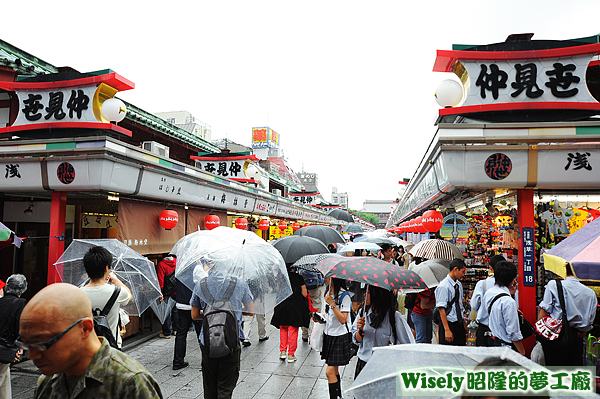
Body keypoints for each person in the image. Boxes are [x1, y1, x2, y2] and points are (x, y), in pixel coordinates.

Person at [18, 283, 162, 398]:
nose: (32, 355)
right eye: (26, 343)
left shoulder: (130, 383)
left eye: (43, 343)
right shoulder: (47, 383)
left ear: (85, 329)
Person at [191, 270, 253, 399]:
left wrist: (211, 313)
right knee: (225, 387)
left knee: (209, 386)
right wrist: (235, 312)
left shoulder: (200, 284)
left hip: (207, 340)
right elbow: (251, 311)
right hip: (231, 339)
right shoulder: (239, 283)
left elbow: (194, 315)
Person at [537, 261, 597, 366]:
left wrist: (540, 334)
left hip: (555, 337)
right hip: (576, 339)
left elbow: (543, 312)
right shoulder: (590, 293)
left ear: (565, 269)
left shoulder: (554, 285)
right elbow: (588, 323)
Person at [351, 285, 414, 379]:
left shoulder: (394, 317)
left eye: (368, 292)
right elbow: (356, 340)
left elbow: (408, 343)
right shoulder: (363, 313)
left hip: (383, 367)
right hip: (363, 365)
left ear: (377, 295)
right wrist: (360, 330)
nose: (364, 295)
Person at [80, 246, 132, 349]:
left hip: (86, 349)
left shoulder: (78, 293)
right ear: (106, 268)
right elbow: (129, 296)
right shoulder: (117, 292)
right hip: (111, 348)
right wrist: (116, 280)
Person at [481, 260, 525, 356]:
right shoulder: (509, 302)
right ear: (514, 280)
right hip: (506, 348)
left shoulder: (489, 292)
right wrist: (522, 352)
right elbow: (513, 332)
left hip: (493, 342)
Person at [270, 266, 310, 362]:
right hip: (295, 306)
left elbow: (278, 290)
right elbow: (304, 293)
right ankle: (291, 354)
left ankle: (283, 351)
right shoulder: (299, 277)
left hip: (283, 305)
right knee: (293, 329)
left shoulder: (281, 277)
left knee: (283, 328)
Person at [321, 277, 352, 399]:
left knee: (329, 372)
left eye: (328, 276)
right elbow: (327, 314)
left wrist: (333, 304)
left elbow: (343, 319)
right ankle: (338, 396)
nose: (325, 279)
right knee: (335, 371)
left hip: (339, 336)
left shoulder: (344, 296)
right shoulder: (327, 292)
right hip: (329, 335)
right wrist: (319, 317)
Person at [0, 274, 27, 398]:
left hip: (3, 347)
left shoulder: (1, 302)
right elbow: (21, 327)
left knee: (5, 376)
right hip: (5, 349)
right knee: (2, 374)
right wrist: (20, 347)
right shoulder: (20, 303)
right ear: (23, 289)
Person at [470, 254, 504, 346]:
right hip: (502, 329)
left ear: (491, 268)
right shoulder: (509, 284)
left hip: (484, 327)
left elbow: (474, 305)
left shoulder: (482, 284)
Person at [436, 258, 468, 346]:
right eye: (462, 271)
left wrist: (463, 323)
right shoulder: (443, 286)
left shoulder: (459, 285)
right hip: (448, 323)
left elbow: (459, 305)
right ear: (455, 269)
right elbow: (441, 309)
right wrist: (447, 330)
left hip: (459, 323)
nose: (463, 275)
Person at [173, 278, 201, 370]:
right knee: (201, 334)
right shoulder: (198, 268)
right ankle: (206, 361)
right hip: (195, 305)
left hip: (181, 304)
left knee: (181, 333)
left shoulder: (181, 269)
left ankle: (177, 361)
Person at [298, 267, 325, 343]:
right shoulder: (315, 258)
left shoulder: (300, 260)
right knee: (315, 311)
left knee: (305, 310)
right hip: (316, 286)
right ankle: (312, 335)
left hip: (304, 287)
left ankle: (305, 334)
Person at [156, 254, 177, 339]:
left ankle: (166, 333)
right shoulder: (176, 262)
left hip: (167, 291)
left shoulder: (162, 264)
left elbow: (160, 280)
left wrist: (160, 293)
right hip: (176, 290)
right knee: (176, 311)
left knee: (166, 312)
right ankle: (176, 330)